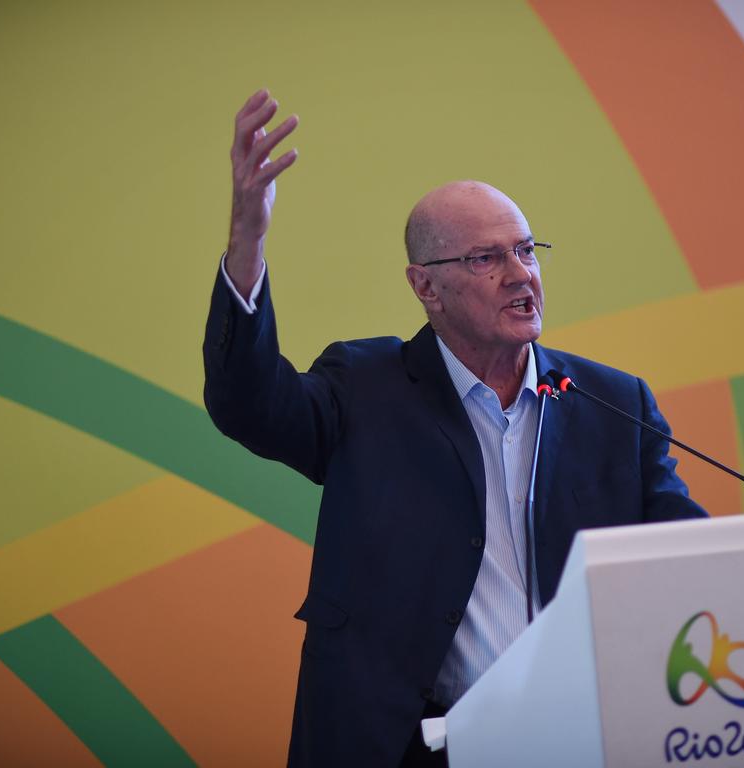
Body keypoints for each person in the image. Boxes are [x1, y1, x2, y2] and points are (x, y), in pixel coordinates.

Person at [203, 89, 707, 768]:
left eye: (527, 251)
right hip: (406, 744)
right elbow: (248, 405)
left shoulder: (613, 403)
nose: (519, 274)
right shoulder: (365, 386)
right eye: (485, 259)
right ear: (425, 286)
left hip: (577, 740)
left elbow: (689, 552)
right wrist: (248, 240)